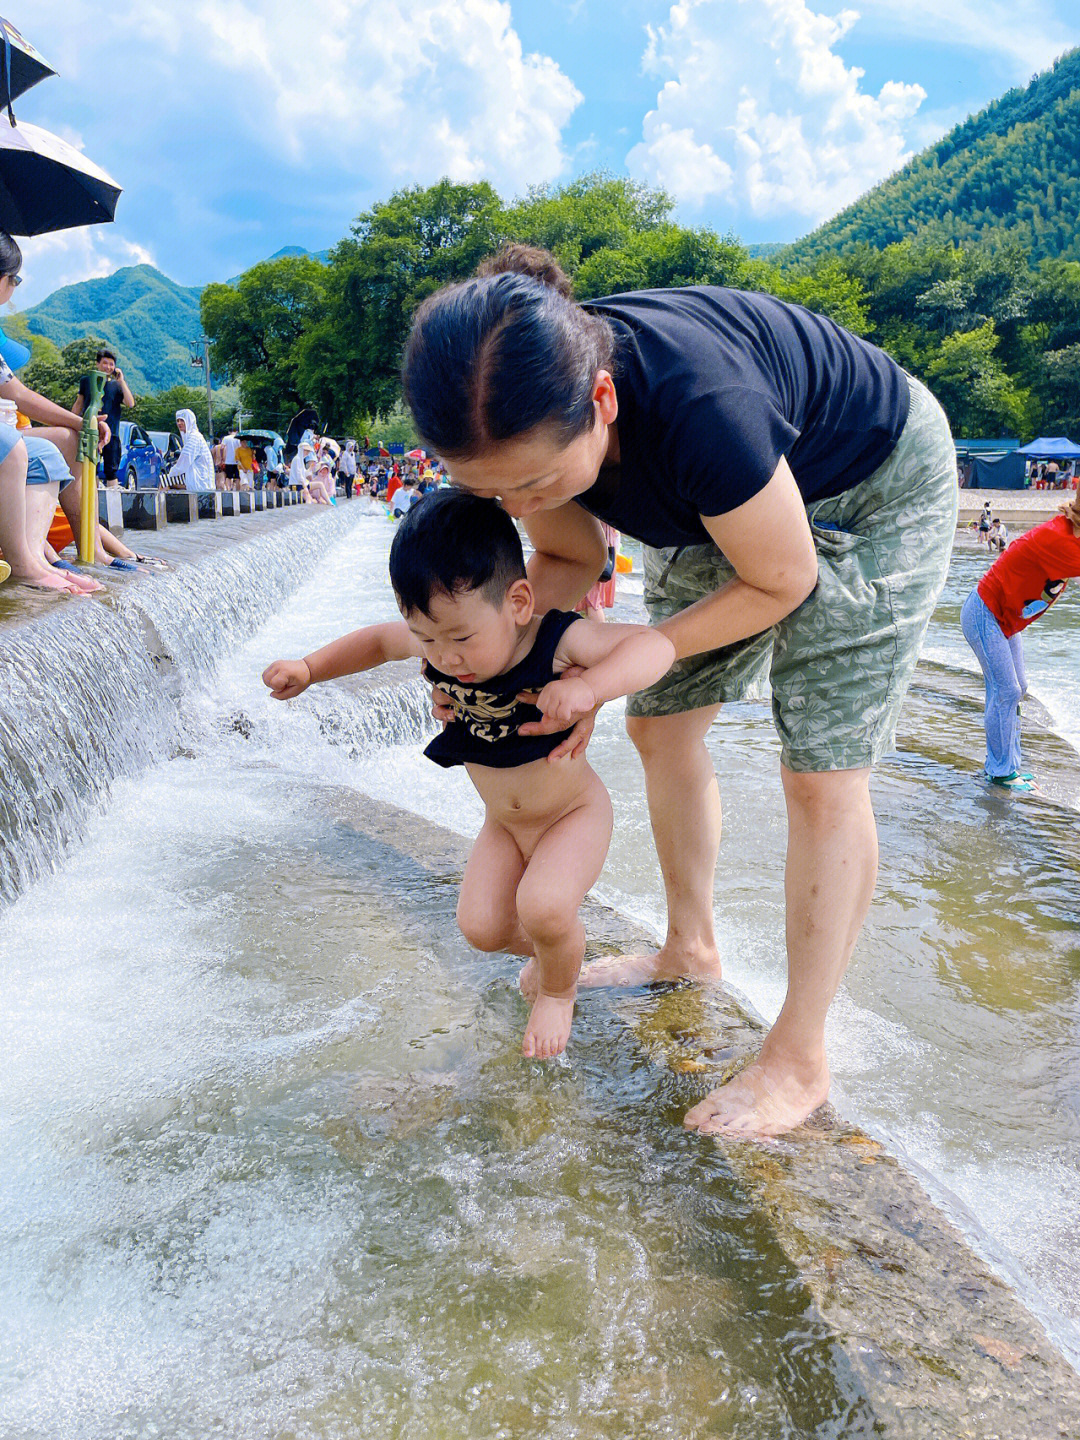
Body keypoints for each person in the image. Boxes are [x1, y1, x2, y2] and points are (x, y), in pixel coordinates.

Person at [400, 243, 959, 1137]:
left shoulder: (702, 407)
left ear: (604, 403)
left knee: (821, 770)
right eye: (483, 489)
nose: (513, 503)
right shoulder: (520, 415)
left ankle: (799, 1056)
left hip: (871, 483)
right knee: (661, 728)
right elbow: (571, 558)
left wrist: (640, 651)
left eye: (535, 481)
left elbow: (782, 577)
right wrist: (483, 658)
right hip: (733, 500)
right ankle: (690, 949)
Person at [263, 490, 674, 1057]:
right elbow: (378, 642)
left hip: (570, 814)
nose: (446, 657)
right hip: (502, 825)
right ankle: (557, 950)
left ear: (519, 601)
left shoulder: (555, 642)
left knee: (545, 906)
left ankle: (559, 989)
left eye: (460, 639)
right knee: (481, 928)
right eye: (429, 639)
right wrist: (310, 669)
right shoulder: (439, 639)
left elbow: (652, 646)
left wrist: (587, 688)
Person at [960, 497, 1080, 791]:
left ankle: (1007, 765)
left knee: (1017, 688)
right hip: (985, 613)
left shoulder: (1068, 536)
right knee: (1007, 690)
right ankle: (1001, 772)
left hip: (1005, 620)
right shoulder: (1060, 539)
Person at [73, 349, 132, 488]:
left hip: (112, 433)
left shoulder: (117, 385)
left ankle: (112, 501)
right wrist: (72, 422)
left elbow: (130, 403)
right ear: (98, 363)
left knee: (111, 470)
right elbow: (79, 403)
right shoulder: (86, 381)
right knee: (91, 467)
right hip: (91, 431)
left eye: (111, 364)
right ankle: (92, 501)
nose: (108, 367)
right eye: (105, 363)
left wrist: (122, 381)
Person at [577, 522, 620, 622]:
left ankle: (599, 635)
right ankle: (595, 634)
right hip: (603, 544)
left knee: (592, 601)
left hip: (595, 545)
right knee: (591, 600)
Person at [166, 409, 215, 491]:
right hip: (200, 485)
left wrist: (169, 475)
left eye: (182, 420)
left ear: (190, 421)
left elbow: (184, 462)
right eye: (177, 420)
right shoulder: (193, 437)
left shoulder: (194, 438)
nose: (179, 423)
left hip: (200, 486)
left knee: (164, 483)